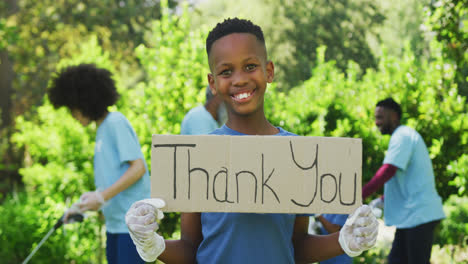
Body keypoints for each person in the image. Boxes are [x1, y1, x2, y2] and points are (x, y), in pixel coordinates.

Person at [125, 18, 379, 264]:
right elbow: (190, 248)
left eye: (250, 66)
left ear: (269, 71)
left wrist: (345, 240)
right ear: (213, 83)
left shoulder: (298, 154)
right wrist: (152, 245)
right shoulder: (200, 156)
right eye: (226, 71)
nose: (240, 79)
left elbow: (297, 245)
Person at [48, 64, 150, 264]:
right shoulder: (101, 129)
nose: (72, 115)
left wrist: (101, 196)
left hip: (132, 227)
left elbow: (138, 168)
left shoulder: (115, 122)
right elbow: (112, 179)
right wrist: (84, 205)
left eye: (72, 109)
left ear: (85, 102)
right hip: (115, 226)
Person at [362, 97, 445, 264]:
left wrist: (360, 194)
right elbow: (409, 180)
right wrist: (382, 200)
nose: (376, 122)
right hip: (412, 216)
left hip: (419, 215)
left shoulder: (402, 136)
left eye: (380, 117)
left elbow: (388, 170)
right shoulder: (404, 136)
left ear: (393, 116)